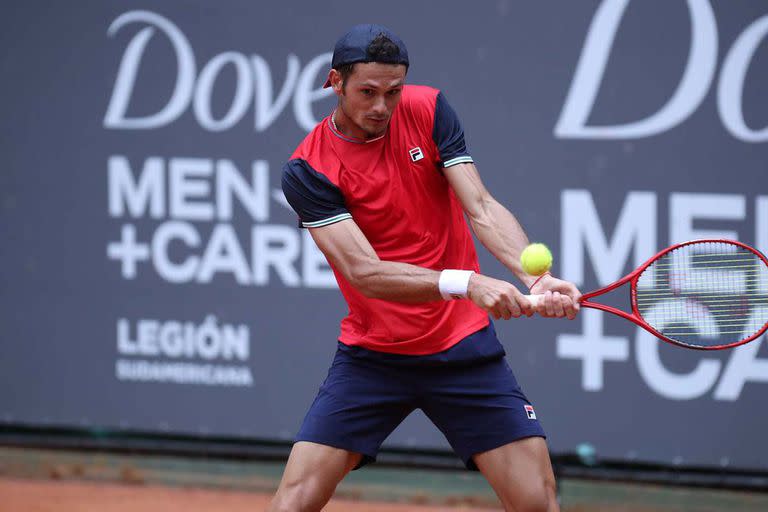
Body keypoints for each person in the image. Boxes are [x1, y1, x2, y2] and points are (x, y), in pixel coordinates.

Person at [269, 24, 581, 512]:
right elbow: (364, 272)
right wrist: (467, 282)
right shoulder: (309, 169)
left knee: (537, 503)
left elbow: (479, 205)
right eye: (367, 92)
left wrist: (532, 275)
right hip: (373, 357)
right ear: (335, 82)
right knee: (293, 503)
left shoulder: (428, 109)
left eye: (392, 92)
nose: (381, 106)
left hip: (462, 349)